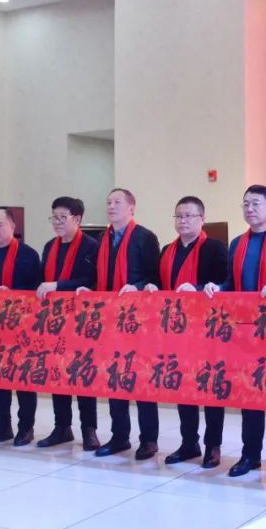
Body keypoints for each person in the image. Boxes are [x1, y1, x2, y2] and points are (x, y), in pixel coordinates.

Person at [206, 185, 266, 480]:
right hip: (245, 333)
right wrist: (217, 288)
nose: (249, 209)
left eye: (256, 203)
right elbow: (230, 283)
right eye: (245, 204)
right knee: (249, 396)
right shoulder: (237, 243)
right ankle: (250, 455)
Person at [145, 196, 227, 468]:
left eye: (189, 216)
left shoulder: (214, 248)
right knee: (184, 387)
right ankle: (189, 442)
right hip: (176, 330)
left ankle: (213, 445)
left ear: (202, 219)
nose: (183, 221)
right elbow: (156, 279)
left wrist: (199, 288)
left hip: (207, 330)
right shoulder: (167, 250)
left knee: (210, 388)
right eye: (179, 216)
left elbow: (224, 283)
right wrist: (152, 286)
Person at [91, 188, 161, 460]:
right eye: (108, 202)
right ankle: (119, 437)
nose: (111, 206)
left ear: (131, 208)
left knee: (141, 380)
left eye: (117, 202)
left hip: (138, 321)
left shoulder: (144, 237)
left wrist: (137, 286)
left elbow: (156, 278)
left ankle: (149, 440)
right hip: (110, 320)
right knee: (115, 379)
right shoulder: (103, 238)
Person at [36, 196, 101, 451]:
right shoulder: (49, 247)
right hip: (55, 321)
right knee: (57, 372)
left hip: (82, 322)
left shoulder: (91, 246)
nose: (57, 222)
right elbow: (41, 280)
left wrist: (58, 286)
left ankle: (89, 429)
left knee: (82, 374)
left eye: (63, 217)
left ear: (78, 219)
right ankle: (62, 427)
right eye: (54, 217)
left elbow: (91, 280)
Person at [0, 208, 42, 447]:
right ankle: (2, 427)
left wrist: (12, 294)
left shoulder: (28, 255)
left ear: (13, 226)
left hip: (21, 328)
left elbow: (37, 290)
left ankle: (26, 428)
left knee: (23, 380)